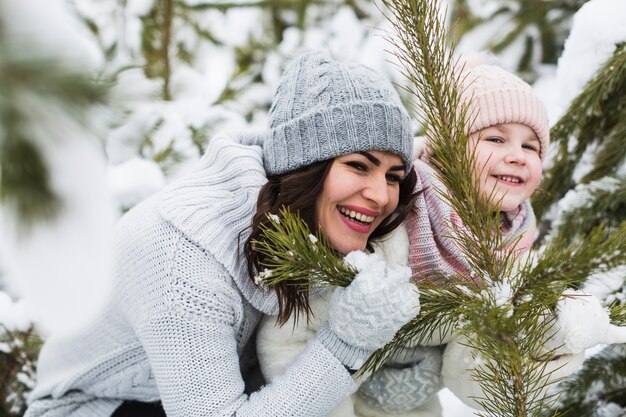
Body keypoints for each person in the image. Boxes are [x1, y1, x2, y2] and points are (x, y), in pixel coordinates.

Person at [24, 51, 422, 417]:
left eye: (393, 176)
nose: (381, 195)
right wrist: (345, 345)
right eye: (357, 165)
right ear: (303, 166)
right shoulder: (184, 257)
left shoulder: (306, 219)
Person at [256, 55, 588, 416]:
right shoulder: (396, 218)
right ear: (447, 148)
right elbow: (293, 336)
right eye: (495, 138)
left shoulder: (513, 242)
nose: (518, 156)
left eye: (531, 146)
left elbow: (477, 376)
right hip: (326, 391)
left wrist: (552, 342)